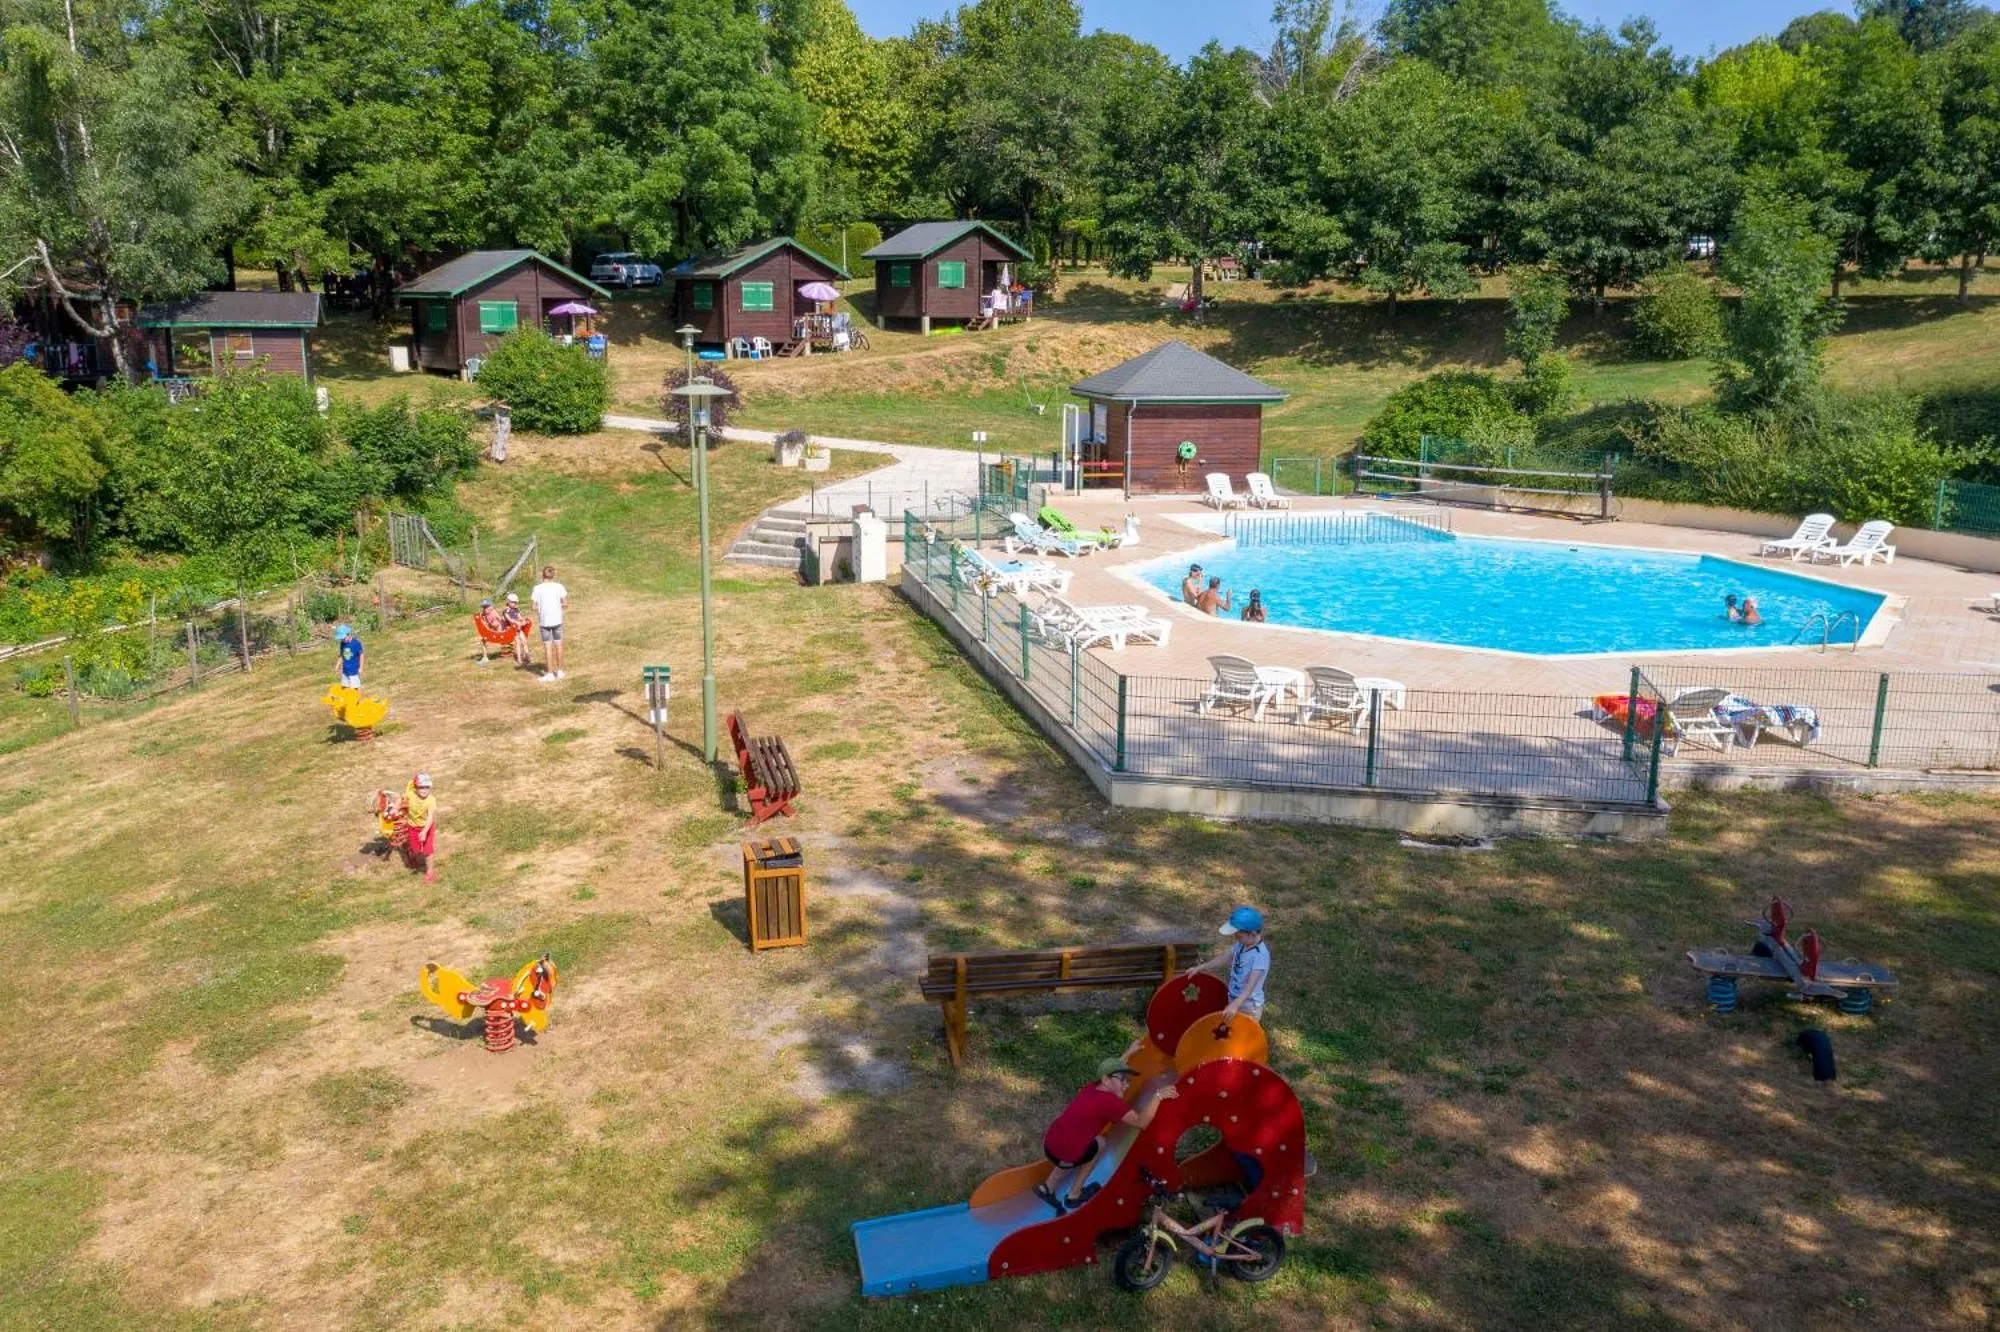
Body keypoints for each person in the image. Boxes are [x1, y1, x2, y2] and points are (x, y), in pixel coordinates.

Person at [1034, 1056, 1180, 1214]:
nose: (1126, 1085)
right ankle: (1074, 1195)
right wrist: (1157, 1096)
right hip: (1064, 1153)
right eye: (1123, 1080)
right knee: (1099, 1143)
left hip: (1051, 1143)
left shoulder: (1093, 1087)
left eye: (1128, 1080)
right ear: (1106, 1079)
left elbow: (1109, 1071)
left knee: (1076, 1143)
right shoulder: (1110, 1103)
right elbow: (1141, 1122)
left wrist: (1129, 1053)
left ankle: (1047, 1187)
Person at [1183, 905, 1271, 1027]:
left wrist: (1236, 1005)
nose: (1236, 938)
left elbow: (1250, 986)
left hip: (1248, 1006)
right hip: (1234, 998)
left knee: (1242, 1037)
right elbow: (1225, 957)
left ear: (1253, 933)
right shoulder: (1242, 944)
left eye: (1239, 936)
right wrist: (1201, 967)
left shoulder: (1260, 956)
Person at [530, 565, 569, 682]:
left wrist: (540, 609)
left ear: (542, 575)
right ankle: (560, 671)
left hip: (545, 622)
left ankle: (550, 673)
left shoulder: (537, 588)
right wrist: (557, 605)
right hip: (557, 620)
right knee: (559, 644)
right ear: (553, 575)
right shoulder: (559, 586)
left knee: (548, 646)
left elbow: (533, 606)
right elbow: (565, 603)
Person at [403, 772, 438, 882]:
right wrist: (396, 807)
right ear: (416, 788)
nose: (424, 790)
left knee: (428, 851)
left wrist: (424, 831)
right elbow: (402, 800)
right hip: (412, 827)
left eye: (427, 787)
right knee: (416, 849)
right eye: (421, 787)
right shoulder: (410, 794)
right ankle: (413, 857)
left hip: (427, 827)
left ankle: (430, 872)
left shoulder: (431, 800)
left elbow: (430, 817)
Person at [500, 592, 533, 666]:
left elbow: (520, 617)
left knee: (524, 641)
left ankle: (527, 657)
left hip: (518, 628)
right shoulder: (506, 611)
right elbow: (510, 620)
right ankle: (519, 659)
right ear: (508, 602)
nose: (514, 604)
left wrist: (524, 621)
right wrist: (518, 623)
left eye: (515, 602)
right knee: (518, 642)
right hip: (511, 629)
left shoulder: (516, 609)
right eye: (513, 602)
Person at [335, 623, 363, 688]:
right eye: (341, 639)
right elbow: (342, 655)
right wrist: (337, 665)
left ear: (348, 634)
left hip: (354, 670)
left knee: (355, 688)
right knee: (344, 687)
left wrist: (361, 668)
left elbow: (361, 655)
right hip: (345, 670)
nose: (342, 640)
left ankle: (358, 698)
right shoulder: (342, 643)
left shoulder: (356, 643)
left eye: (343, 638)